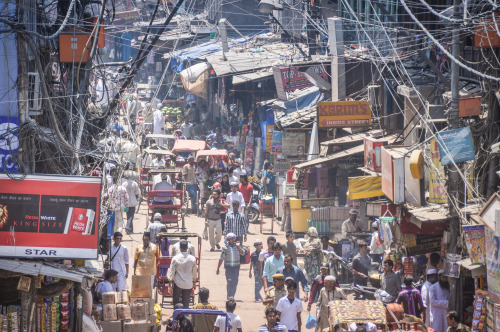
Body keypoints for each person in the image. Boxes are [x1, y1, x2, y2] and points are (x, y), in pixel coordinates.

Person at [168, 240, 198, 308]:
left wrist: (169, 285)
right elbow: (194, 274)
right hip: (188, 285)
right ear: (187, 248)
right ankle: (186, 316)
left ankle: (176, 316)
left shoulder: (175, 258)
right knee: (186, 302)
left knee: (176, 302)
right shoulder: (192, 258)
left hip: (178, 284)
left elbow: (171, 273)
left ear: (180, 248)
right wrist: (194, 283)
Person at [217, 233, 246, 300]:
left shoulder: (237, 247)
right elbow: (221, 258)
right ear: (228, 240)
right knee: (230, 281)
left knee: (235, 281)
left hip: (236, 267)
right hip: (228, 267)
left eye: (234, 238)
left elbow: (243, 253)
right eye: (231, 239)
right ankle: (230, 296)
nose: (233, 240)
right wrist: (218, 268)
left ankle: (231, 295)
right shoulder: (225, 248)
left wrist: (239, 247)